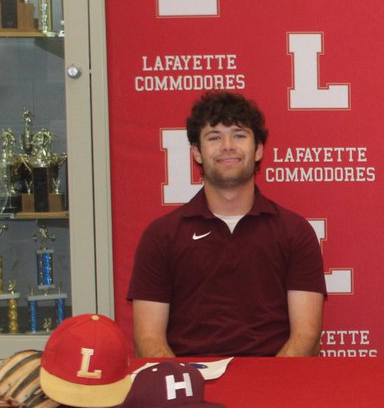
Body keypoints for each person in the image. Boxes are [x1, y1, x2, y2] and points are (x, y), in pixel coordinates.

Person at [128, 91, 326, 357]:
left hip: (275, 384)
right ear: (197, 152)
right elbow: (148, 339)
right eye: (214, 137)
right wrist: (188, 389)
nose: (228, 145)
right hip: (191, 386)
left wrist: (272, 387)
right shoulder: (161, 236)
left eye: (239, 135)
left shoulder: (295, 232)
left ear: (258, 150)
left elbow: (306, 337)